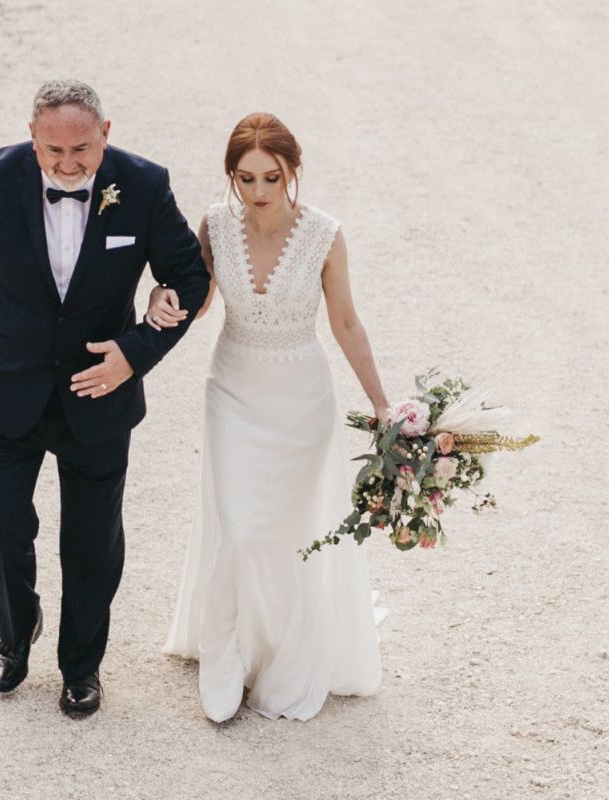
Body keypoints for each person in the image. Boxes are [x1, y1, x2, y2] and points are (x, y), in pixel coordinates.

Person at [0, 80, 209, 717]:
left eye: (81, 148)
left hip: (98, 397)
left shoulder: (144, 184)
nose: (69, 163)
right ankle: (17, 628)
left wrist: (134, 353)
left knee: (90, 544)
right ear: (33, 139)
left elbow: (189, 276)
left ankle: (82, 666)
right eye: (53, 150)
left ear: (106, 132)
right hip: (1, 391)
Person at [155, 112, 391, 722]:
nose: (258, 192)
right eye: (245, 178)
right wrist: (163, 298)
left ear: (293, 171)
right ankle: (224, 649)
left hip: (301, 401)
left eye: (270, 177)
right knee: (238, 529)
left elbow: (344, 323)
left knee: (286, 534)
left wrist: (382, 403)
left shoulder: (324, 234)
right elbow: (200, 302)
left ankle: (279, 650)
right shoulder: (215, 224)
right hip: (233, 390)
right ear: (231, 177)